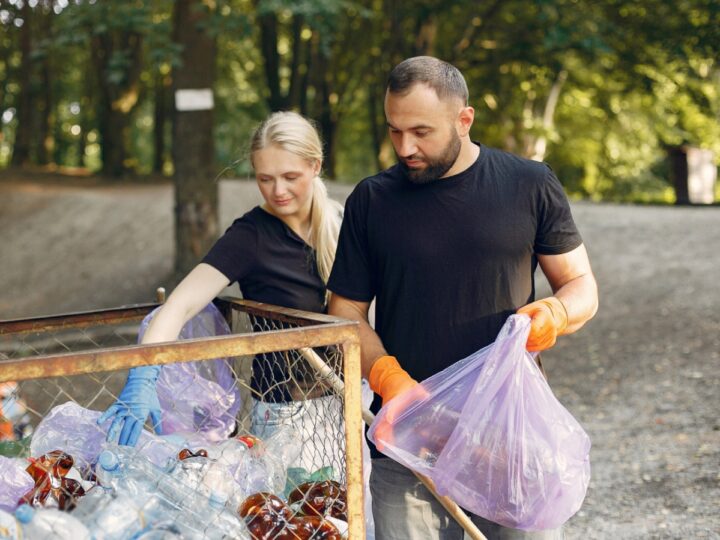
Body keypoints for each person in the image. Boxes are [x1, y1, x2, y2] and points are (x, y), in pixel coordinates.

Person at [327, 56, 599, 540]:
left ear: (464, 119)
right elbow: (345, 312)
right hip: (408, 442)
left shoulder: (529, 183)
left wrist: (555, 313)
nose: (405, 147)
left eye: (421, 132)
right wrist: (389, 380)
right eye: (394, 131)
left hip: (509, 439)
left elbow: (581, 285)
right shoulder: (372, 200)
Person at [99, 111, 346, 475]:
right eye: (265, 178)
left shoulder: (341, 221)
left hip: (346, 402)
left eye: (290, 177)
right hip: (286, 417)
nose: (278, 191)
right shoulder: (250, 237)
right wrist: (143, 375)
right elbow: (180, 305)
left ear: (315, 166)